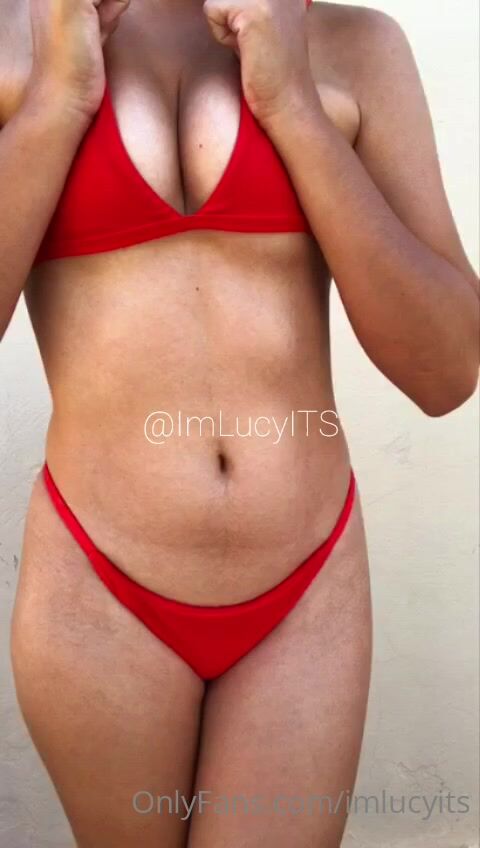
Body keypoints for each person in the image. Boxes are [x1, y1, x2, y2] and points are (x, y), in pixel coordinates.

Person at [1, 0, 478, 845]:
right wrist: (57, 103)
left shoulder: (355, 45)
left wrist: (294, 107)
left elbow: (445, 372)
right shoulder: (18, 39)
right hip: (99, 583)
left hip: (306, 589)